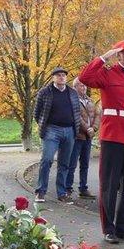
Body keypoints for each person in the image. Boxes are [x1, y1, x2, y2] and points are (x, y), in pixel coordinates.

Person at [79, 39, 124, 244]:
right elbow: (85, 77)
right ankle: (108, 228)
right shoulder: (107, 74)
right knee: (109, 184)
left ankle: (122, 227)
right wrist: (104, 57)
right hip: (113, 137)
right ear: (119, 55)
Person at [33, 67, 82, 204]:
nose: (62, 77)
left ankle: (62, 193)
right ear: (53, 77)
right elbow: (37, 113)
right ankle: (40, 192)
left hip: (69, 131)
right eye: (58, 75)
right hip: (51, 130)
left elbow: (76, 112)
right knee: (47, 159)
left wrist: (74, 129)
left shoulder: (72, 93)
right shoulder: (45, 92)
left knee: (64, 164)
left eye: (64, 75)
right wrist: (44, 125)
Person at [64, 77, 98, 199]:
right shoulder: (72, 100)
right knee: (72, 164)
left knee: (85, 164)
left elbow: (97, 116)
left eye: (85, 86)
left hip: (88, 137)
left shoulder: (90, 101)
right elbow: (76, 117)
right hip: (77, 137)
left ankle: (83, 188)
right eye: (81, 85)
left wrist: (93, 129)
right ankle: (67, 188)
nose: (83, 88)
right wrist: (87, 129)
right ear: (75, 87)